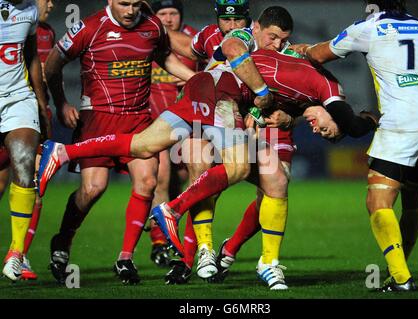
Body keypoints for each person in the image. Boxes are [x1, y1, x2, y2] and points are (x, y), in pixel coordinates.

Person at [37, 48, 377, 288]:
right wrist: (372, 119)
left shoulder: (300, 86)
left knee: (144, 144)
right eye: (326, 128)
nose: (317, 129)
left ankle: (63, 151)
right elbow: (349, 122)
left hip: (205, 85)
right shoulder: (330, 90)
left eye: (321, 133)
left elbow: (272, 91)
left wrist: (264, 110)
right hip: (221, 92)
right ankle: (173, 210)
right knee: (240, 166)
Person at [293, 0, 418, 292]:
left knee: (378, 201)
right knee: (413, 200)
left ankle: (401, 278)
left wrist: (301, 49)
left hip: (403, 119)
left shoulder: (369, 27)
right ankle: (397, 274)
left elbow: (318, 55)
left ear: (372, 6)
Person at [43, 0, 195, 285]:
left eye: (136, 4)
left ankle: (125, 258)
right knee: (93, 188)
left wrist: (194, 77)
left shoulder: (152, 26)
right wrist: (61, 103)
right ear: (110, 1)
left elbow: (164, 56)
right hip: (97, 119)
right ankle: (63, 240)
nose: (130, 11)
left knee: (148, 182)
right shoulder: (88, 27)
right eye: (124, 3)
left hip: (138, 120)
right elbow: (53, 63)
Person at [163, 0, 252, 285]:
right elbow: (187, 47)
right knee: (198, 177)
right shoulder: (208, 35)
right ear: (218, 20)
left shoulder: (253, 40)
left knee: (268, 185)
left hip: (237, 116)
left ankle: (223, 249)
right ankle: (200, 253)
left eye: (239, 19)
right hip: (202, 113)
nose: (233, 26)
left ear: (248, 19)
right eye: (227, 21)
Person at [146, 0, 199, 269]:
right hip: (154, 119)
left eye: (173, 13)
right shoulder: (147, 37)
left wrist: (196, 76)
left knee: (185, 177)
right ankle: (160, 240)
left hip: (187, 120)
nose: (168, 19)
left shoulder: (193, 42)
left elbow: (211, 71)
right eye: (162, 13)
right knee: (161, 175)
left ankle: (185, 238)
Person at [0, 0, 49, 281]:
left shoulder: (30, 10)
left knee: (24, 162)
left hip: (18, 97)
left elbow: (31, 56)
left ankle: (16, 253)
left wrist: (42, 104)